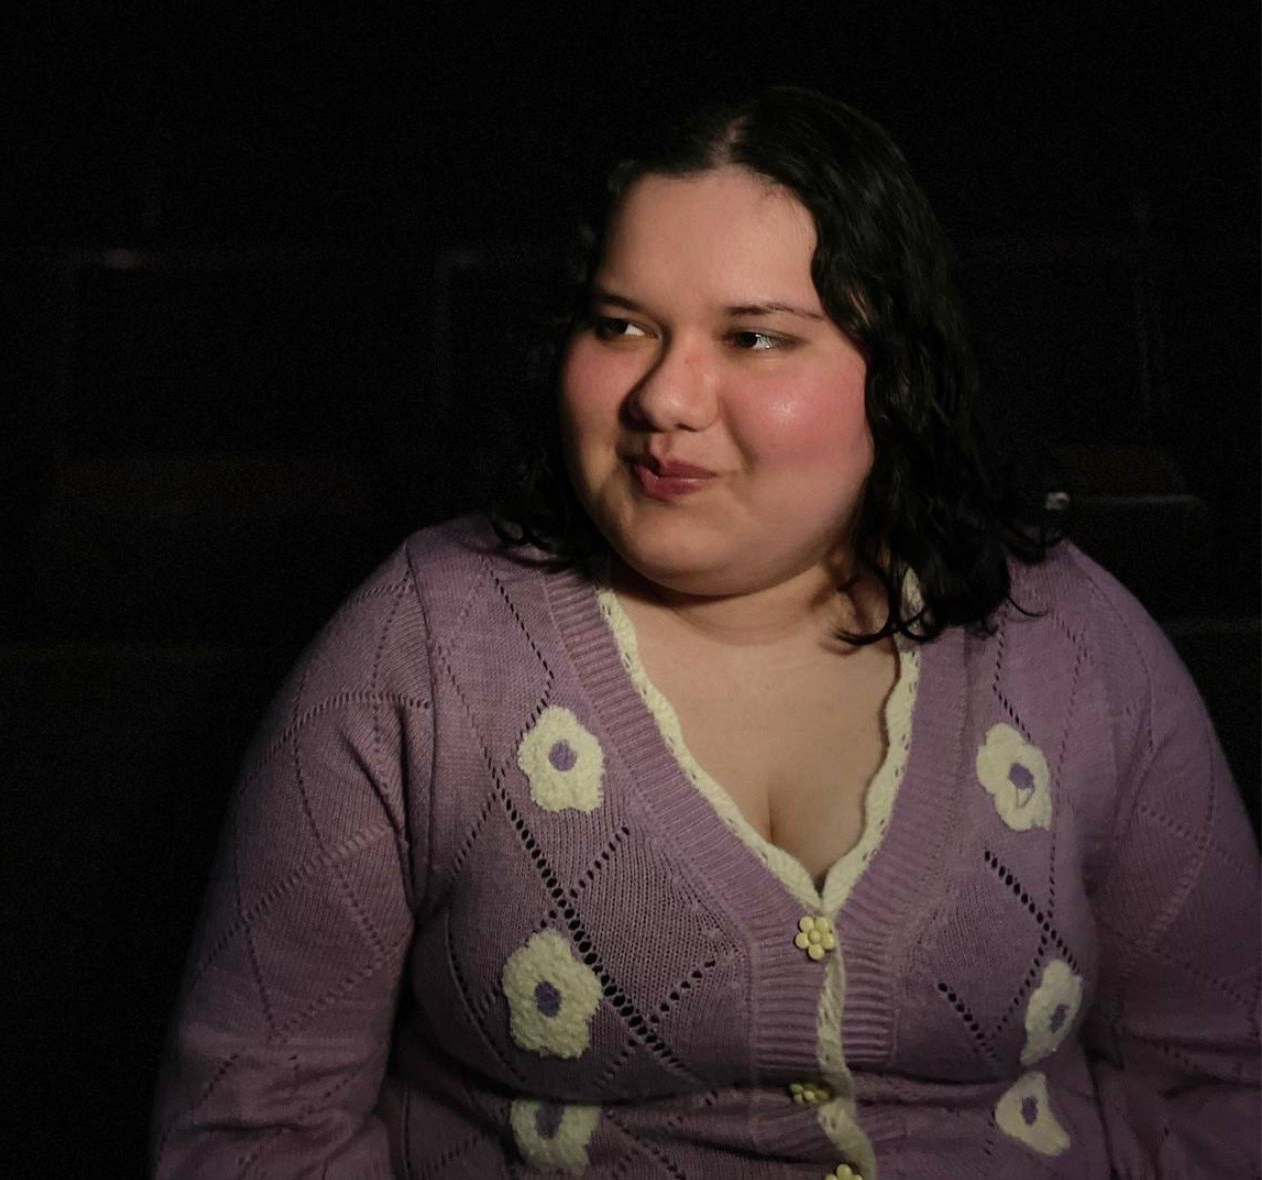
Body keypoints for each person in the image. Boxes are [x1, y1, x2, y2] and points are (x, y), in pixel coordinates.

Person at [151, 87, 1260, 1177]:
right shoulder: (421, 651)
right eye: (620, 324)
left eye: (755, 337)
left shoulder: (1071, 640)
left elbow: (1223, 1085)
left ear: (898, 373)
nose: (664, 399)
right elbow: (256, 1128)